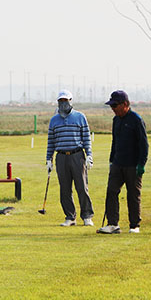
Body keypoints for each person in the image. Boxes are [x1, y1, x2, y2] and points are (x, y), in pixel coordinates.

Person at [97, 90, 148, 234]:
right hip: (117, 164)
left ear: (125, 104)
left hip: (133, 165)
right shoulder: (116, 120)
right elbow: (115, 142)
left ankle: (134, 225)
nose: (113, 109)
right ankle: (113, 224)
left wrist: (141, 164)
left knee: (133, 195)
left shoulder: (136, 120)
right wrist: (111, 160)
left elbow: (144, 145)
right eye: (111, 106)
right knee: (111, 192)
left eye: (115, 106)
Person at [46, 90, 95, 226]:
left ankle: (87, 216)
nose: (63, 103)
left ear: (70, 101)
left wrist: (89, 155)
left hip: (77, 156)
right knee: (65, 189)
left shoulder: (80, 117)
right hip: (61, 157)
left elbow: (86, 138)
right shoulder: (54, 120)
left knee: (82, 187)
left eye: (65, 101)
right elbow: (51, 141)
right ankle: (70, 217)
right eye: (61, 101)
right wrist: (48, 159)